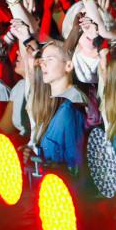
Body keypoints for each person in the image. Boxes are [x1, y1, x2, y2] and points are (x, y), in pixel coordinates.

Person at [31, 41, 86, 172]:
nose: (42, 64)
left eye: (50, 59)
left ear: (68, 65)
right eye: (42, 59)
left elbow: (76, 161)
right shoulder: (51, 102)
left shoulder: (75, 101)